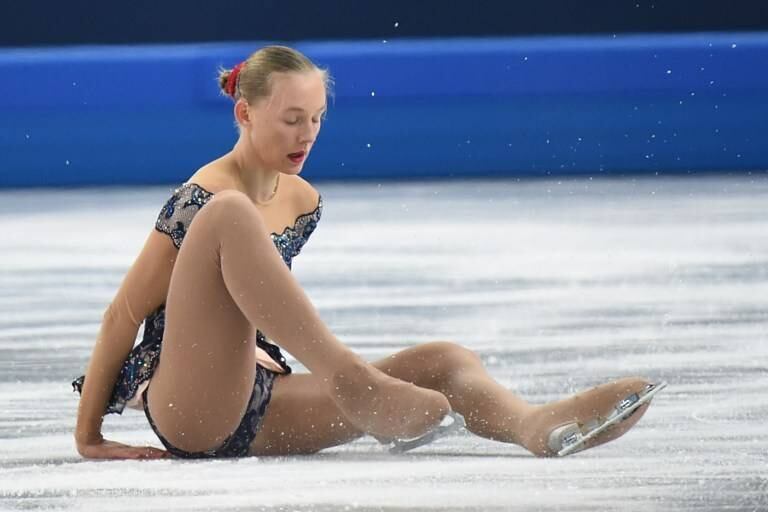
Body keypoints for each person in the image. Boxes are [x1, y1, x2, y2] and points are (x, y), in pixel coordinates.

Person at [72, 45, 662, 460]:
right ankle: (350, 378)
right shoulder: (201, 196)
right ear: (245, 114)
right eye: (291, 120)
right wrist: (89, 437)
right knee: (230, 213)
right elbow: (123, 316)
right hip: (188, 407)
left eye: (318, 120)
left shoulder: (303, 201)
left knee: (444, 359)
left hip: (257, 405)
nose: (307, 136)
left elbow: (254, 300)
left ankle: (531, 426)